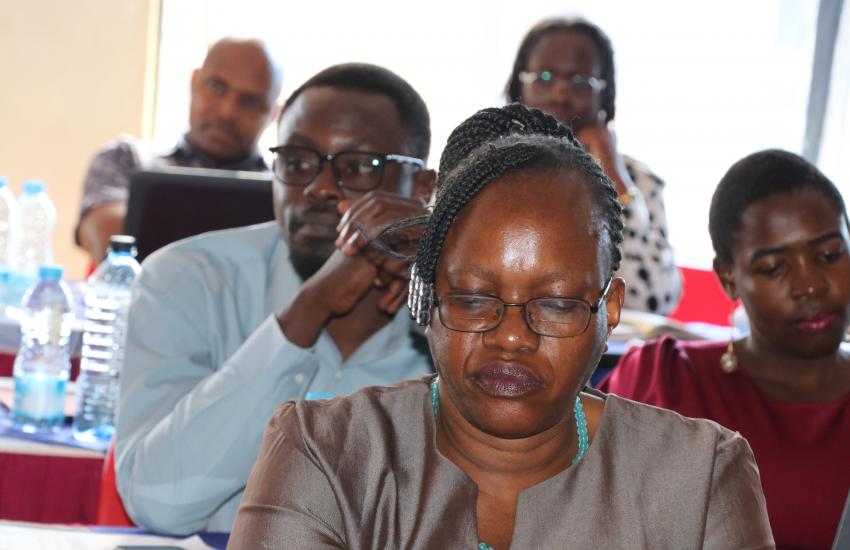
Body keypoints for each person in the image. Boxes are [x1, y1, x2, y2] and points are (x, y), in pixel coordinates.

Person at [228, 104, 773, 549]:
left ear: (609, 310)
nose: (511, 337)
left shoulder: (699, 478)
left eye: (556, 305)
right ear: (429, 299)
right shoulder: (325, 452)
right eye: (472, 298)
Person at [115, 63, 437, 534]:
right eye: (297, 162)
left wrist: (448, 294)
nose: (320, 188)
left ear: (423, 189)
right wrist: (308, 311)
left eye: (358, 167)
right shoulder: (190, 280)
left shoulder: (461, 311)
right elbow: (157, 503)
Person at [600, 149, 850, 549]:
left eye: (829, 254)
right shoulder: (665, 383)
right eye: (774, 267)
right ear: (728, 277)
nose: (810, 285)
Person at [506, 18, 681, 315]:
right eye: (545, 78)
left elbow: (654, 300)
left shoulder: (639, 180)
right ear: (519, 86)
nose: (561, 94)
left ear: (605, 93)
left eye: (581, 83)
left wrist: (614, 178)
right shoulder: (479, 167)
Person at [76, 37, 283, 263]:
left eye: (250, 102)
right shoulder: (126, 159)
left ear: (273, 114)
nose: (227, 112)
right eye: (217, 87)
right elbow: (114, 248)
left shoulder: (287, 191)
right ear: (194, 82)